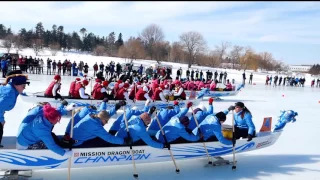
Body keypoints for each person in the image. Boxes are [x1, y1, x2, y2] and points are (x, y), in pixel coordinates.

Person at [0, 72, 30, 147]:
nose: (24, 88)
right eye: (23, 86)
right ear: (17, 85)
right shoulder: (9, 94)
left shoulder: (10, 88)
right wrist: (1, 119)